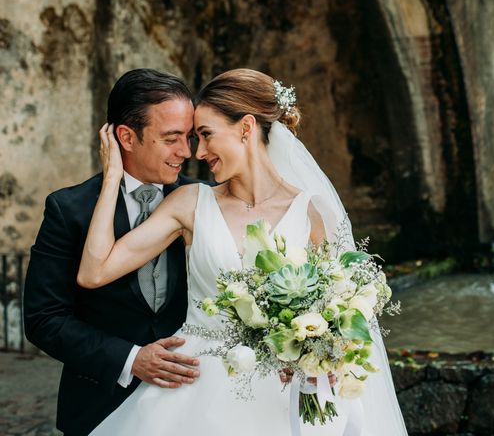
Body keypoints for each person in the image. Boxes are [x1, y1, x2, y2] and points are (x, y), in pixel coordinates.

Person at [78, 68, 407, 435]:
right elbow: (94, 272)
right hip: (193, 392)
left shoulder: (312, 214)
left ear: (246, 128)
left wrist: (321, 355)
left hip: (282, 398)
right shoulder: (190, 203)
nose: (197, 152)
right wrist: (112, 179)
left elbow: (342, 316)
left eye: (205, 135)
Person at [23, 69, 203, 436]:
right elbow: (44, 319)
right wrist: (131, 358)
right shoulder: (68, 209)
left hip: (191, 403)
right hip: (100, 405)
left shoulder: (204, 200)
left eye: (189, 136)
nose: (186, 152)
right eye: (171, 138)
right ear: (126, 137)